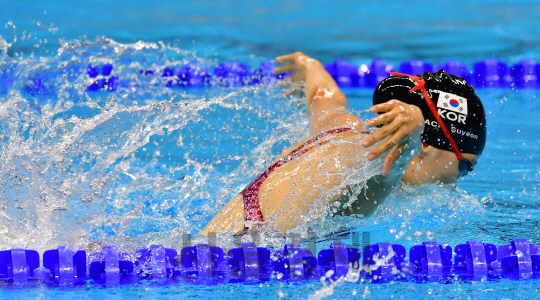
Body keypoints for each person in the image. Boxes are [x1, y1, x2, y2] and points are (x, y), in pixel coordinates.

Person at [200, 52, 486, 235]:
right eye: (464, 167)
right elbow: (395, 156)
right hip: (226, 266)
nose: (458, 181)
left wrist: (310, 68)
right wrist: (413, 122)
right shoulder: (377, 169)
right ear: (424, 144)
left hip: (201, 250)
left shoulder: (342, 132)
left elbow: (325, 99)